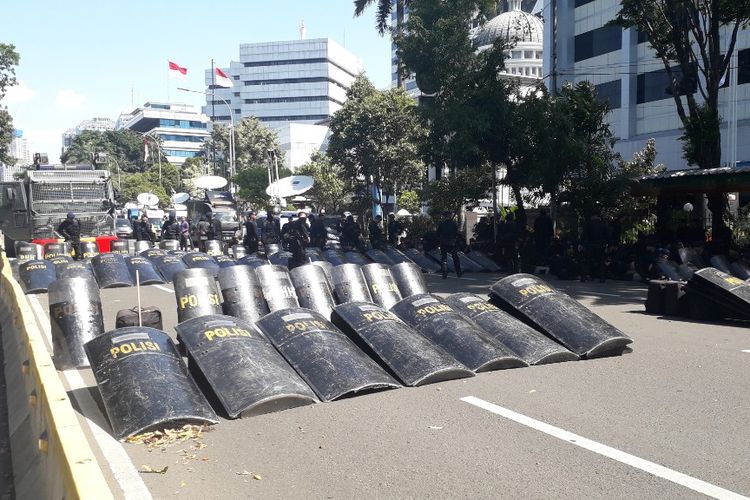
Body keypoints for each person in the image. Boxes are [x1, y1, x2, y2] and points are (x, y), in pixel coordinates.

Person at [436, 210, 462, 279]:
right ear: (450, 215)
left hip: (444, 242)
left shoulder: (441, 223)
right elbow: (457, 233)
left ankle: (444, 273)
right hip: (452, 242)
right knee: (455, 257)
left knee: (444, 258)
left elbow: (438, 233)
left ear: (444, 216)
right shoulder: (454, 223)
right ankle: (458, 272)